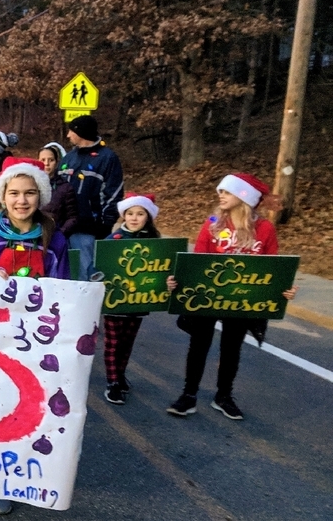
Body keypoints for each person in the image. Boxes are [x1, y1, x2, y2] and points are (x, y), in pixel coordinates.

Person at [0, 157, 70, 517]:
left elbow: (64, 290)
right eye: (15, 193)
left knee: (20, 410)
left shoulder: (55, 238)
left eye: (30, 193)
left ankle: (6, 478)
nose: (22, 201)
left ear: (41, 196)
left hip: (32, 343)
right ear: (3, 196)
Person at [166, 173, 297, 420]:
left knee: (231, 348)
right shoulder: (213, 223)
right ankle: (189, 395)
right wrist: (178, 281)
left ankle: (224, 396)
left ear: (243, 196)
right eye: (221, 191)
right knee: (199, 344)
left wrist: (284, 289)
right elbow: (197, 263)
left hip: (241, 300)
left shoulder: (265, 228)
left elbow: (274, 269)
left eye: (227, 191)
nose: (220, 195)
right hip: (208, 297)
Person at [101, 193, 160, 405]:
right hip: (115, 301)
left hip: (139, 301)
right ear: (123, 215)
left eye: (140, 213)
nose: (134, 218)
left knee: (127, 342)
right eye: (130, 213)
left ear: (148, 217)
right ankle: (113, 382)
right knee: (113, 343)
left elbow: (162, 270)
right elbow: (100, 265)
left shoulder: (154, 243)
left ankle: (121, 374)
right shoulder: (113, 240)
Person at [57, 115, 124, 280]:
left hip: (88, 227)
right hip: (62, 226)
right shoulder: (69, 158)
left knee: (85, 275)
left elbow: (114, 193)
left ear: (81, 133)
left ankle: (85, 304)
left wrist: (105, 224)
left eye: (71, 131)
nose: (68, 135)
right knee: (64, 272)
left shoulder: (107, 158)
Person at [38, 142, 79, 238]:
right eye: (43, 160)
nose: (46, 164)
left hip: (55, 235)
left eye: (51, 160)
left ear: (56, 162)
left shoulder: (65, 187)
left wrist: (60, 233)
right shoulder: (31, 185)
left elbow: (72, 217)